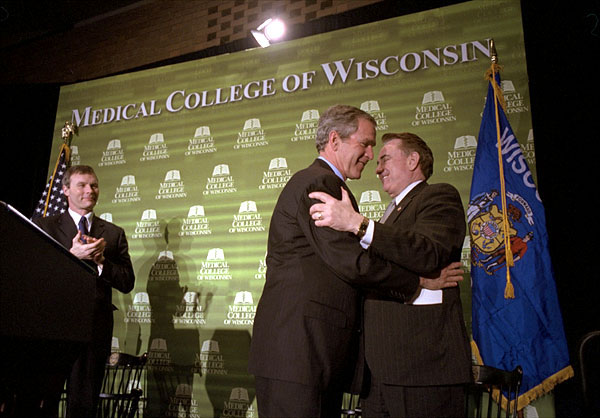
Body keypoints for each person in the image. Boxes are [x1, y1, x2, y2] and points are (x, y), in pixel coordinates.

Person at [248, 107, 461, 417]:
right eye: (365, 144)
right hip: (301, 351)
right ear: (336, 140)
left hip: (308, 353)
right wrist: (416, 283)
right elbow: (352, 262)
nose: (371, 156)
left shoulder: (329, 185)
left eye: (378, 150)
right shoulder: (319, 184)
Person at [309, 132, 471, 417]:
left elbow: (428, 253)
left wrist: (358, 225)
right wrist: (418, 282)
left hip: (424, 370)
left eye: (384, 159)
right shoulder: (389, 214)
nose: (378, 168)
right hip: (379, 372)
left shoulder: (438, 196)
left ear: (413, 160)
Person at [34, 165, 135, 418]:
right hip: (52, 329)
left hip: (94, 329)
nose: (90, 190)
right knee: (43, 399)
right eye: (82, 185)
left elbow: (127, 281)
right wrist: (71, 256)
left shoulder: (112, 234)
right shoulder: (44, 226)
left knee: (84, 404)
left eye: (94, 185)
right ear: (66, 189)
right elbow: (35, 277)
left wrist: (102, 262)